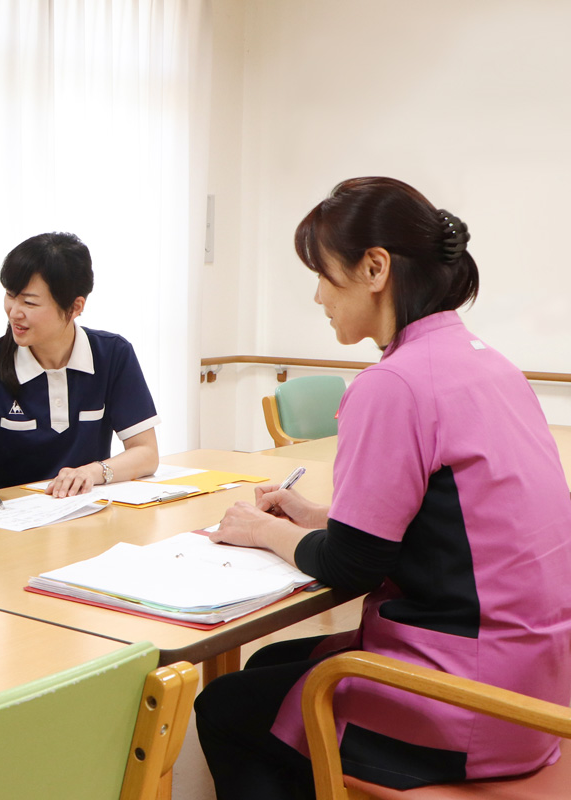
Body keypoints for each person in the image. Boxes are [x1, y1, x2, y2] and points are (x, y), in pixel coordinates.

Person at [195, 177, 571, 798]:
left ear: (374, 268)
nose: (317, 295)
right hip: (538, 679)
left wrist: (262, 529)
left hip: (470, 700)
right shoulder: (488, 363)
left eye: (321, 274)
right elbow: (441, 528)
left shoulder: (393, 383)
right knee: (267, 665)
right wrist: (312, 515)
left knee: (227, 708)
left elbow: (352, 567)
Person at [0, 232, 159, 503]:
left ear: (75, 307)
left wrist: (92, 472)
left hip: (83, 514)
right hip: (9, 521)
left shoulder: (113, 355)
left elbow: (147, 453)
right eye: (10, 296)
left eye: (29, 302)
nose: (14, 312)